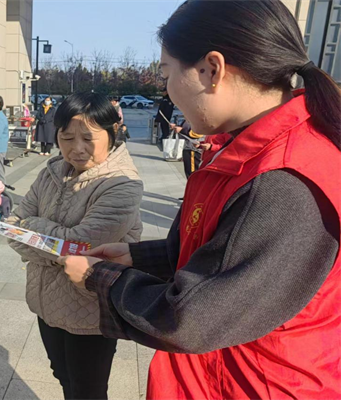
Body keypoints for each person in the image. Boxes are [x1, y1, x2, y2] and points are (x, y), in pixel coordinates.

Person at [58, 0, 341, 399]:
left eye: (166, 74)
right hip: (218, 376)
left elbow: (190, 320)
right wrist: (139, 257)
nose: (168, 91)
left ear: (212, 69)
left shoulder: (283, 180)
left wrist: (100, 278)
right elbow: (223, 257)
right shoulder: (240, 152)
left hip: (253, 384)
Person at [8, 92, 144, 400]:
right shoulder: (52, 171)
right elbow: (13, 228)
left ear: (112, 133)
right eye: (67, 138)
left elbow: (81, 245)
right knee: (62, 376)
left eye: (88, 138)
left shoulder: (122, 184)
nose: (77, 148)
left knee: (88, 390)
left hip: (91, 311)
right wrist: (53, 246)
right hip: (47, 302)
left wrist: (34, 229)